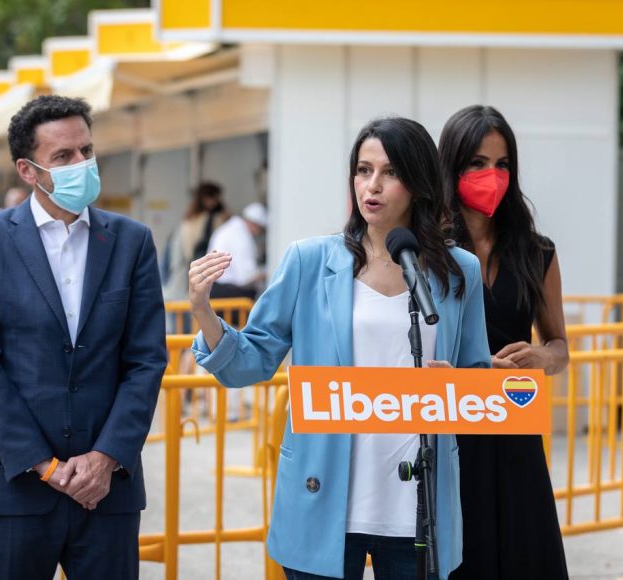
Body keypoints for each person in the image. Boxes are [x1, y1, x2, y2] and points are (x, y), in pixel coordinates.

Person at [190, 117, 491, 579]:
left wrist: (455, 386)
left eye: (390, 172)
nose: (372, 185)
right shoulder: (309, 261)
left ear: (418, 182)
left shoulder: (459, 271)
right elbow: (249, 362)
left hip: (419, 504)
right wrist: (203, 311)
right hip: (322, 494)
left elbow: (477, 377)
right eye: (363, 169)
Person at [0, 95, 167, 580]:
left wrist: (105, 459)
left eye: (86, 151)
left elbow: (146, 360)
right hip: (13, 488)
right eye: (63, 157)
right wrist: (45, 467)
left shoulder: (131, 241)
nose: (81, 164)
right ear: (28, 171)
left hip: (106, 489)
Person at [438, 105, 569, 579]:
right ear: (450, 166)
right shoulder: (426, 251)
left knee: (524, 560)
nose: (491, 175)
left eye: (502, 164)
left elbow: (560, 349)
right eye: (476, 163)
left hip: (514, 428)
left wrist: (540, 356)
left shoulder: (537, 252)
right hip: (448, 432)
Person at [207, 201, 267, 300]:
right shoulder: (241, 235)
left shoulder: (232, 229)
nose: (258, 233)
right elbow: (244, 277)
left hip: (216, 289)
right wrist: (265, 273)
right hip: (225, 292)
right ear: (254, 224)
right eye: (260, 229)